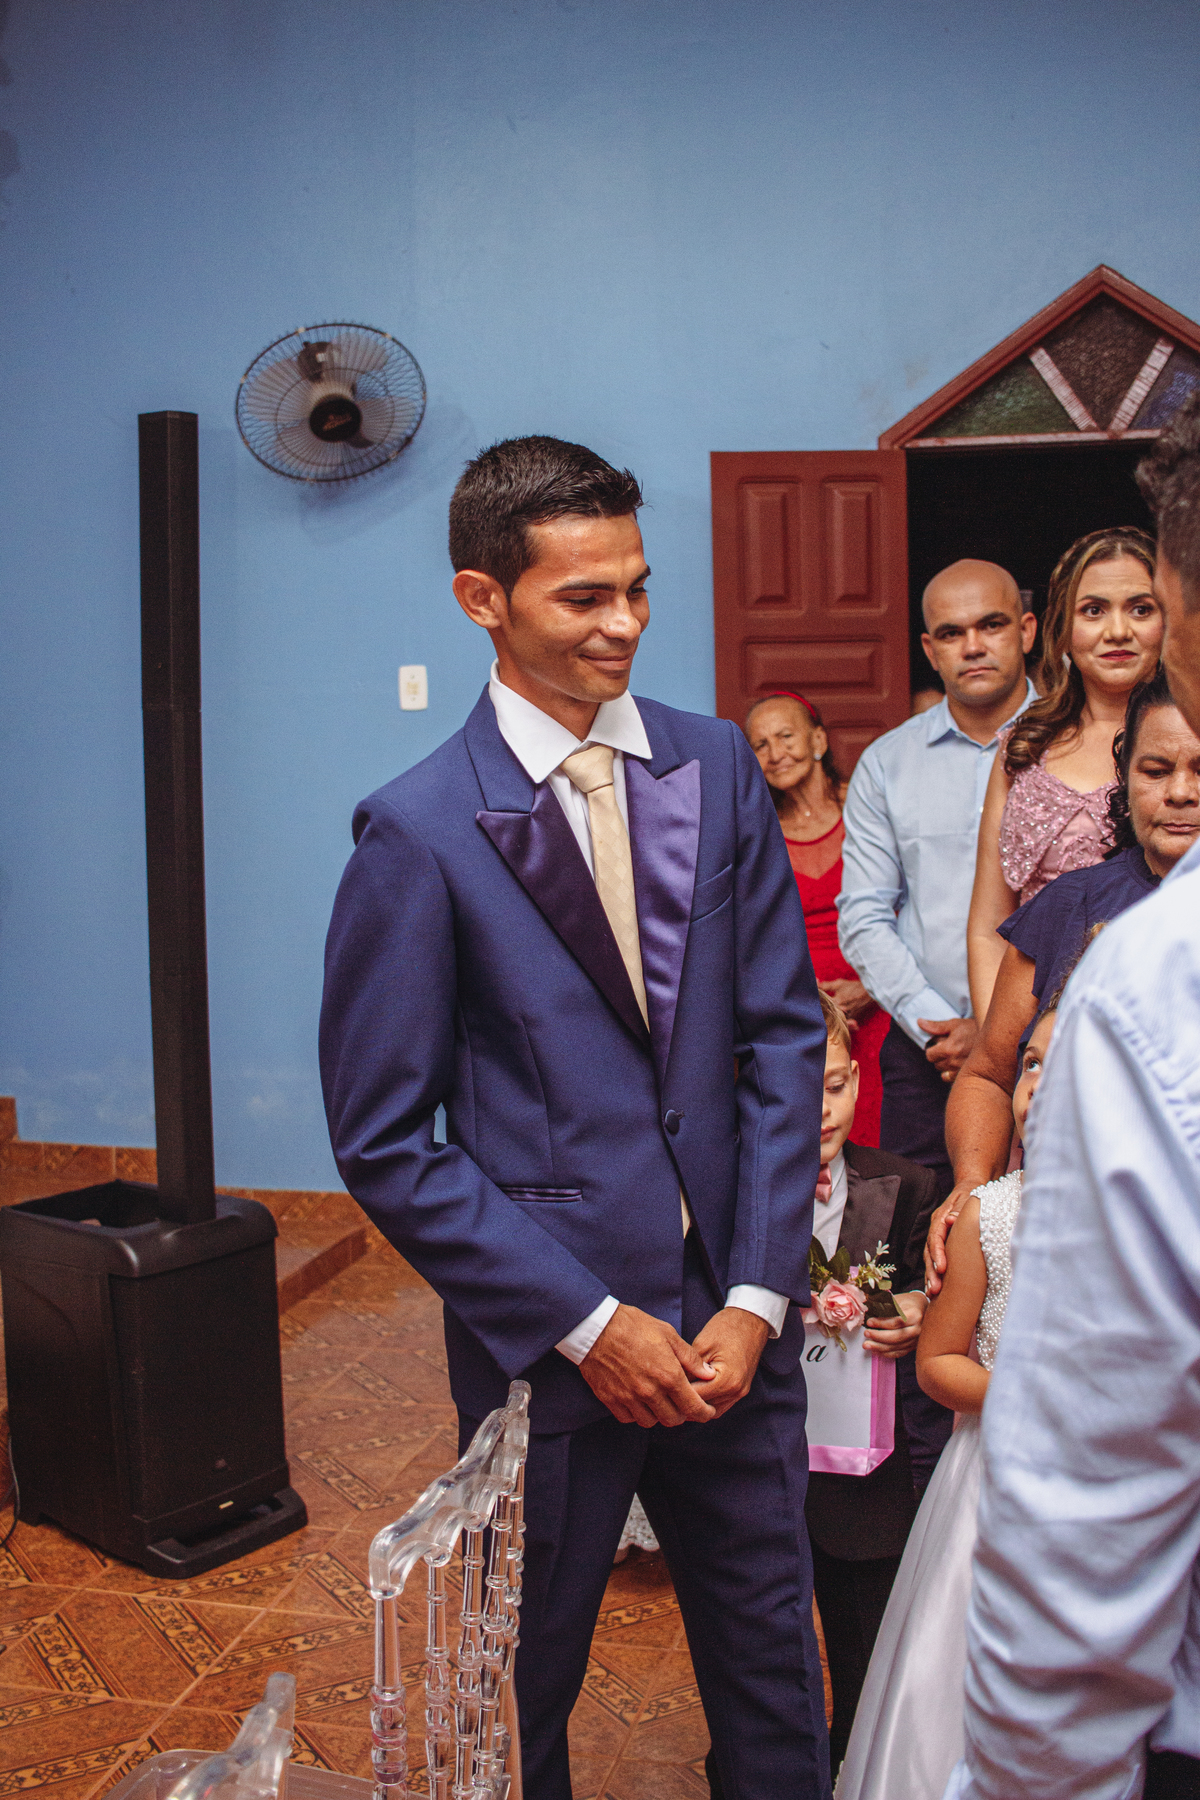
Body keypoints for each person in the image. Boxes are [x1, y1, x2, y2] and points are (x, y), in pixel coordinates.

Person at [319, 436, 832, 1800]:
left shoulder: (717, 767)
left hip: (733, 1334)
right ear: (481, 600)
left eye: (639, 589)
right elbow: (383, 1140)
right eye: (583, 598)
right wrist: (589, 1327)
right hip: (555, 1361)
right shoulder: (418, 832)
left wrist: (760, 1294)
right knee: (518, 1684)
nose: (626, 625)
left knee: (776, 1667)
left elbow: (781, 1040)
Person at [947, 393, 1200, 1800]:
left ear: (1176, 606)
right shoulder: (1088, 919)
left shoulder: (1157, 982)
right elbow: (995, 961)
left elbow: (1102, 1480)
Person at [838, 561, 1035, 1486]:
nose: (973, 646)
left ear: (1027, 630)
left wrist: (1010, 1038)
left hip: (1050, 1053)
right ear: (929, 647)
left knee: (1051, 1247)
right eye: (951, 633)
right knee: (928, 1263)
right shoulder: (889, 762)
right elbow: (863, 915)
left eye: (991, 625)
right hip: (933, 1057)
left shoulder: (1079, 746)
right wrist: (939, 1025)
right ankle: (924, 1483)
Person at [835, 1001, 1057, 1800]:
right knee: (958, 1673)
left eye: (1063, 1068)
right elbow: (939, 1367)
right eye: (1028, 1066)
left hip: (1105, 1489)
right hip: (990, 1486)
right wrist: (1043, 1398)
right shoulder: (989, 1216)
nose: (1036, 1086)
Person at [931, 667, 1200, 1249]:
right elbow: (988, 1076)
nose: (1180, 791)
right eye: (1156, 770)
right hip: (1070, 1234)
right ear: (1124, 778)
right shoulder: (1070, 905)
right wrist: (974, 1187)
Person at [803, 992, 937, 1776]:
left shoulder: (906, 1185)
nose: (824, 1109)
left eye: (837, 1085)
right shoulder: (727, 1194)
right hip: (764, 1465)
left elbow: (929, 1287)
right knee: (757, 1657)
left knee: (862, 1657)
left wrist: (917, 1302)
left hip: (865, 1477)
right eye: (803, 1088)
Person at [965, 526, 1160, 1022]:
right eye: (1093, 610)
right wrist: (1007, 1056)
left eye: (1141, 608)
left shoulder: (1192, 744)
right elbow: (990, 924)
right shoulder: (1024, 746)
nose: (1118, 631)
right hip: (1037, 1018)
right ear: (1064, 629)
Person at [745, 693, 890, 1144]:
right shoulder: (757, 827)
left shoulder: (865, 809)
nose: (775, 753)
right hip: (799, 1006)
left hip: (880, 996)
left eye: (785, 736)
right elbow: (754, 933)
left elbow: (910, 906)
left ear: (819, 740)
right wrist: (808, 1004)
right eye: (760, 744)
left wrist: (874, 987)